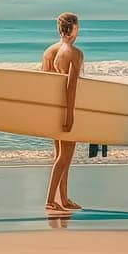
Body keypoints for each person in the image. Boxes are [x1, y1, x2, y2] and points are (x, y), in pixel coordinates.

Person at [41, 12, 83, 212]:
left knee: (60, 154)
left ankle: (64, 198)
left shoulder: (49, 51)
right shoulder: (74, 53)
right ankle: (50, 199)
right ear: (73, 27)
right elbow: (71, 87)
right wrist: (70, 114)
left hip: (51, 109)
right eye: (77, 26)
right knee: (65, 156)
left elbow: (44, 83)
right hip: (65, 108)